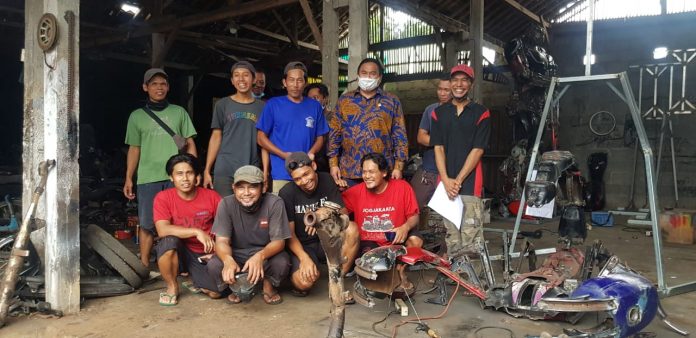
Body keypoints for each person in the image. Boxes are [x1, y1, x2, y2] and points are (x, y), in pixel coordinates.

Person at [123, 68, 197, 268]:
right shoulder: (136, 116)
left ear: (168, 87)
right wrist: (129, 177)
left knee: (180, 221)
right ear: (145, 87)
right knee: (147, 224)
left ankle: (182, 265)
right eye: (154, 84)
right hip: (148, 177)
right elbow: (134, 149)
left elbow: (189, 142)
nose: (159, 88)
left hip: (177, 177)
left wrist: (193, 171)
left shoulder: (179, 112)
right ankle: (144, 266)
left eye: (163, 84)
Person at [430, 64, 491, 256]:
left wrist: (458, 180)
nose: (459, 84)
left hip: (470, 182)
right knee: (452, 234)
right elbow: (438, 148)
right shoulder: (438, 113)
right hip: (446, 184)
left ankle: (473, 281)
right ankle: (456, 279)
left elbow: (477, 150)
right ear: (450, 83)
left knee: (471, 234)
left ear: (471, 84)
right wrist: (447, 180)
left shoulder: (481, 113)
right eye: (455, 80)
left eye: (464, 80)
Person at [278, 152, 359, 296]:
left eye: (306, 174)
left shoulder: (326, 180)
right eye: (297, 179)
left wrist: (325, 211)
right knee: (304, 283)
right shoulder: (287, 193)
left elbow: (344, 215)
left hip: (327, 239)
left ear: (313, 166)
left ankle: (335, 281)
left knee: (352, 228)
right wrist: (304, 259)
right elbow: (289, 235)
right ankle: (298, 272)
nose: (304, 181)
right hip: (303, 245)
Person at [208, 165, 291, 305]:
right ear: (233, 188)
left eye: (252, 187)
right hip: (237, 253)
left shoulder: (275, 203)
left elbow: (279, 242)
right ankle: (237, 288)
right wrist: (228, 260)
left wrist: (260, 256)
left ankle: (268, 287)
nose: (246, 193)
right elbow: (221, 241)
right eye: (241, 187)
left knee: (281, 261)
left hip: (265, 253)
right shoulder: (226, 204)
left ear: (263, 187)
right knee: (214, 264)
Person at [342, 153, 422, 292]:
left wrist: (405, 227)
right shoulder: (355, 192)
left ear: (384, 172)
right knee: (376, 276)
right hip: (370, 243)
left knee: (415, 240)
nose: (366, 176)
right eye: (364, 172)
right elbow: (339, 211)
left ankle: (400, 270)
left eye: (372, 172)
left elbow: (414, 216)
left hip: (396, 240)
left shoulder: (402, 187)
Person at [153, 153, 222, 306]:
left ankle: (195, 279)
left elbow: (225, 228)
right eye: (179, 174)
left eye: (189, 173)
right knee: (168, 241)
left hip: (204, 252)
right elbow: (162, 230)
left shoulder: (212, 196)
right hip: (180, 250)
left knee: (216, 293)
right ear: (171, 177)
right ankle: (172, 286)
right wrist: (196, 231)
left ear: (196, 176)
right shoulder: (163, 197)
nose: (185, 178)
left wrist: (218, 251)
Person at [328, 58, 408, 187]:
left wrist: (398, 167)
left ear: (380, 77)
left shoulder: (391, 101)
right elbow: (334, 135)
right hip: (350, 171)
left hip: (381, 171)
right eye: (364, 73)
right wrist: (333, 164)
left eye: (372, 73)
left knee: (380, 207)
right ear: (358, 76)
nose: (368, 77)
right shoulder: (345, 101)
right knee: (350, 206)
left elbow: (399, 136)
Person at [256, 61, 329, 193]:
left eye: (299, 80)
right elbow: (261, 138)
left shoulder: (314, 106)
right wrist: (284, 155)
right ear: (284, 82)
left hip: (307, 172)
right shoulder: (273, 105)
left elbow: (320, 137)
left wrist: (311, 153)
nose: (295, 85)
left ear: (305, 83)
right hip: (281, 173)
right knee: (282, 210)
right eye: (291, 80)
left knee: (307, 211)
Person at [203, 61, 267, 196]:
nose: (241, 79)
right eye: (237, 75)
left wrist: (266, 171)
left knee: (249, 210)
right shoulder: (222, 104)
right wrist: (207, 169)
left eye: (246, 75)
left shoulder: (263, 107)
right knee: (224, 209)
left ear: (254, 79)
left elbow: (264, 141)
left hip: (251, 167)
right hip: (225, 169)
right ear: (232, 81)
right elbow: (216, 137)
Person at [411, 77, 451, 208]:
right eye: (440, 89)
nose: (442, 93)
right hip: (429, 168)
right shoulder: (430, 110)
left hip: (451, 171)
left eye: (446, 90)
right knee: (414, 206)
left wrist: (433, 140)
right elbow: (421, 137)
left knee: (446, 213)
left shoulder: (460, 111)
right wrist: (443, 141)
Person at [303, 83, 332, 172]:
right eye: (309, 98)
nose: (312, 101)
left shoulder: (333, 117)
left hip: (328, 161)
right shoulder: (305, 118)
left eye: (316, 98)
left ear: (325, 99)